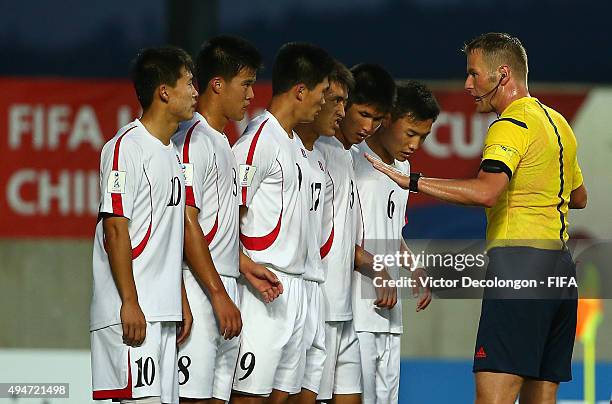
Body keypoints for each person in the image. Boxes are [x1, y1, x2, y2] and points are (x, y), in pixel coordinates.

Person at [367, 32, 587, 404]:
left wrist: (413, 181)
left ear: (502, 75)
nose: (467, 85)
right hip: (561, 272)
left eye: (474, 74)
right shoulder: (557, 123)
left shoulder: (510, 125)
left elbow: (487, 192)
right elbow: (578, 197)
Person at [90, 47, 198, 404]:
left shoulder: (171, 153)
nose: (195, 92)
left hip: (162, 313)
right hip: (133, 313)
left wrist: (178, 297)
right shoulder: (125, 147)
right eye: (188, 83)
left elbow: (169, 239)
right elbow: (115, 231)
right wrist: (130, 302)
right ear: (164, 91)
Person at [230, 42, 334, 404]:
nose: (325, 103)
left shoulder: (295, 146)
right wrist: (244, 267)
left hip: (295, 288)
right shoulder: (258, 139)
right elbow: (226, 213)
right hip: (264, 291)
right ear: (300, 91)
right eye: (323, 93)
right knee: (249, 396)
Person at [172, 35, 267, 404]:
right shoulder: (192, 140)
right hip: (199, 290)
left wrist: (242, 264)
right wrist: (217, 294)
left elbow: (216, 228)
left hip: (222, 286)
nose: (251, 95)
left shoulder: (223, 143)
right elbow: (185, 221)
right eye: (245, 84)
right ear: (217, 84)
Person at [314, 63, 398, 404]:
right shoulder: (316, 151)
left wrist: (375, 265)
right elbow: (312, 238)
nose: (368, 126)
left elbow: (341, 239)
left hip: (343, 310)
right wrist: (374, 266)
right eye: (362, 113)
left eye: (377, 119)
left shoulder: (347, 155)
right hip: (315, 310)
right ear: (343, 104)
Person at [353, 81, 438, 403]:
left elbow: (391, 229)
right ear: (387, 119)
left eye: (424, 137)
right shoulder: (351, 159)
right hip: (356, 312)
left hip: (390, 314)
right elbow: (328, 237)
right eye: (411, 133)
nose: (416, 144)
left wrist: (413, 267)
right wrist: (374, 267)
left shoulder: (404, 168)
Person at [287, 60, 353, 404]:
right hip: (281, 292)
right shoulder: (274, 146)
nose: (342, 110)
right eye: (335, 99)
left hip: (314, 293)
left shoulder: (322, 159)